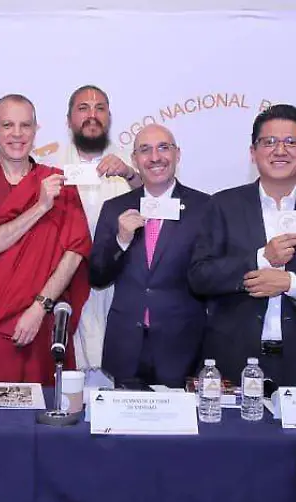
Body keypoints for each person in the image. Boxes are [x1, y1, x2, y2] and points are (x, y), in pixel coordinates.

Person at [189, 104, 296, 387]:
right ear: (253, 152)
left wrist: (290, 283)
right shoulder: (222, 205)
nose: (280, 150)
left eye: (291, 142)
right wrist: (261, 259)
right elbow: (199, 277)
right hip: (234, 356)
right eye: (269, 142)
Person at [0, 94, 91, 385]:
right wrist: (40, 207)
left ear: (35, 130)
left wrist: (39, 307)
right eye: (8, 125)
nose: (17, 134)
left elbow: (75, 252)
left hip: (45, 319)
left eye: (25, 125)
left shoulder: (56, 180)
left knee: (47, 408)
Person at [89, 124, 209, 388]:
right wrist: (121, 240)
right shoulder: (115, 208)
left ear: (177, 154)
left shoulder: (205, 208)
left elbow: (210, 278)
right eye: (145, 150)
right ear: (134, 160)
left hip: (182, 348)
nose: (155, 157)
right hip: (125, 347)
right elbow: (97, 277)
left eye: (163, 148)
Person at [53, 85, 138, 370]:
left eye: (100, 108)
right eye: (83, 108)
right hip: (67, 285)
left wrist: (129, 174)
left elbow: (156, 201)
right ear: (69, 120)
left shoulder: (131, 164)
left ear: (109, 118)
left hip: (118, 286)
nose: (92, 115)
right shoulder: (50, 169)